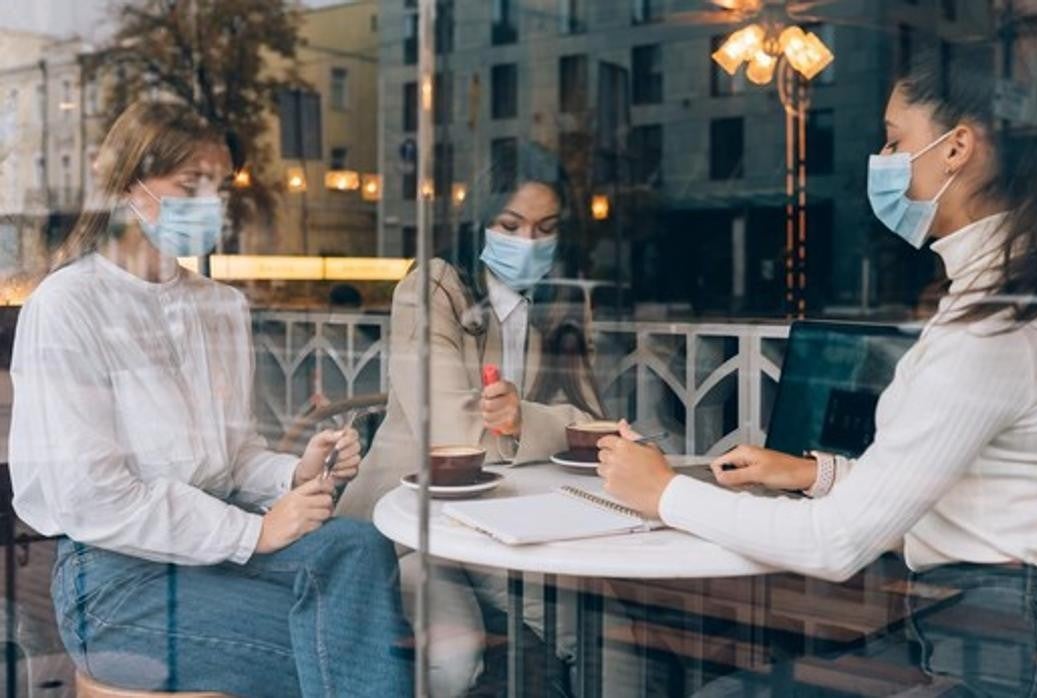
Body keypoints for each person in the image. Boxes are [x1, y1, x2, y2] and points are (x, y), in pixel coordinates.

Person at [596, 59, 1037, 696]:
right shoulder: (1008, 290)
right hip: (978, 620)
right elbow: (958, 488)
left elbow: (837, 543)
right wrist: (811, 473)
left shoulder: (992, 327)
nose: (883, 157)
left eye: (895, 140)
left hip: (1014, 645)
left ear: (956, 147)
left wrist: (661, 492)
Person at [8, 102, 413, 696]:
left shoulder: (220, 307)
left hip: (215, 552)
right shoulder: (69, 305)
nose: (211, 203)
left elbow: (236, 454)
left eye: (219, 187)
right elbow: (93, 499)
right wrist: (254, 534)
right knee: (346, 644)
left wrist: (293, 472)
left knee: (361, 545)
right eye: (190, 184)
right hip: (119, 583)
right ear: (128, 186)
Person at [337, 144, 603, 695]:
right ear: (479, 220)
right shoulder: (432, 289)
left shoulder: (554, 306)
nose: (528, 244)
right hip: (409, 529)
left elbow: (593, 425)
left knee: (588, 632)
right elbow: (461, 438)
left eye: (545, 229)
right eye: (511, 225)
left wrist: (526, 419)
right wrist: (540, 424)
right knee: (455, 662)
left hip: (504, 525)